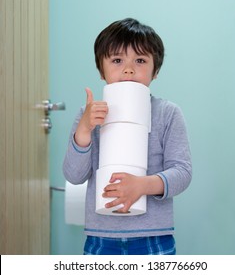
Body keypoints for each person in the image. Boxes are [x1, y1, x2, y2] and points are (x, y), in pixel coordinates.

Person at [63, 18, 192, 255]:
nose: (129, 69)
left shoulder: (168, 113)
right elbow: (74, 175)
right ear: (101, 70)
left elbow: (182, 172)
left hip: (153, 235)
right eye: (117, 60)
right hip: (101, 236)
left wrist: (142, 185)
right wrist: (84, 131)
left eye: (140, 60)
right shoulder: (88, 115)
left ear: (156, 71)